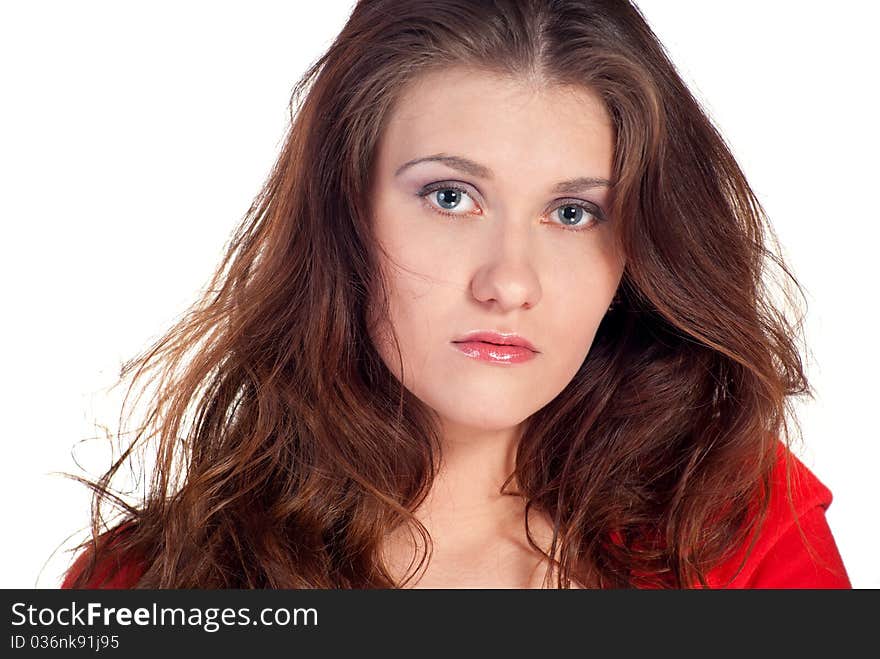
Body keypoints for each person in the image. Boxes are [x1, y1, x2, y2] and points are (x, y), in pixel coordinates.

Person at [60, 0, 850, 589]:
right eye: (449, 197)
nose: (508, 282)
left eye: (573, 213)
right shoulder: (152, 583)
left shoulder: (740, 534)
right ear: (346, 214)